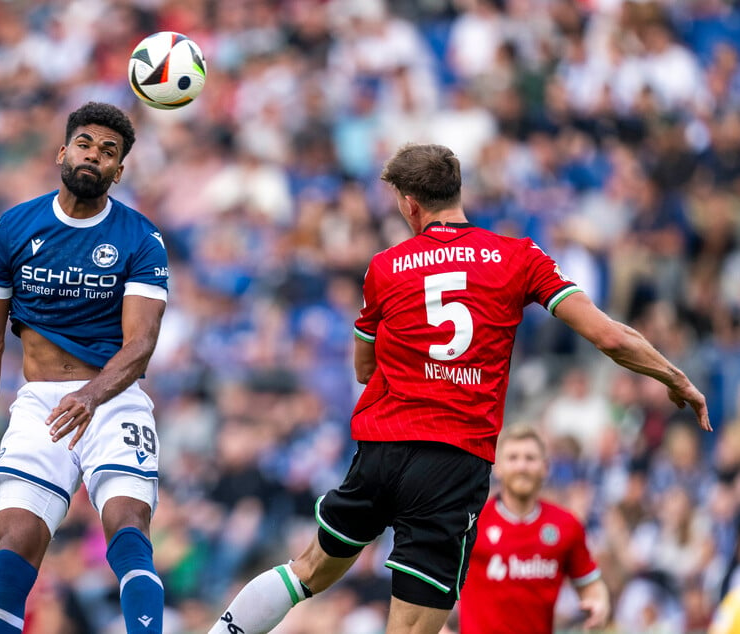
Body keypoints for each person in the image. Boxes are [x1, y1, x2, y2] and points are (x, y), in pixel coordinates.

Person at [207, 143, 709, 634]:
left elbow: (363, 369)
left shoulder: (384, 266)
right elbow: (609, 336)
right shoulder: (519, 256)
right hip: (452, 460)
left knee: (309, 569)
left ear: (410, 204)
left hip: (382, 448)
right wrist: (675, 376)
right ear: (457, 190)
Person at [0, 102, 169, 634]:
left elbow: (141, 343)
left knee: (128, 523)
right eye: (85, 144)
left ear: (118, 171)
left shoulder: (140, 239)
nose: (93, 156)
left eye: (108, 152)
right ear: (63, 151)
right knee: (14, 548)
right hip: (41, 403)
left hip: (113, 396)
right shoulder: (12, 228)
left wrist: (92, 395)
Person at [457, 423, 609, 633]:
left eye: (530, 458)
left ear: (545, 467)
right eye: (513, 458)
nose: (522, 466)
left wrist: (599, 603)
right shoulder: (471, 521)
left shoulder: (566, 525)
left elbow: (590, 583)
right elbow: (433, 581)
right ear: (498, 467)